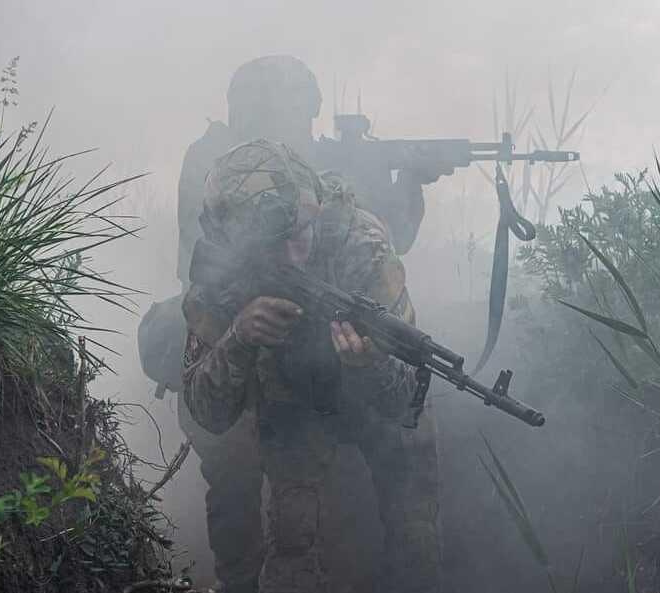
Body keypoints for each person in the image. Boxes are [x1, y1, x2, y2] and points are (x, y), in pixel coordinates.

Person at [138, 55, 444, 593]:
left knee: (414, 521)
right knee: (287, 538)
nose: (291, 253)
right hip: (284, 390)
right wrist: (239, 336)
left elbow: (403, 404)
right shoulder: (221, 249)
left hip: (363, 383)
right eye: (272, 245)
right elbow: (206, 410)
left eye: (300, 232)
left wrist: (369, 363)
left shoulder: (363, 246)